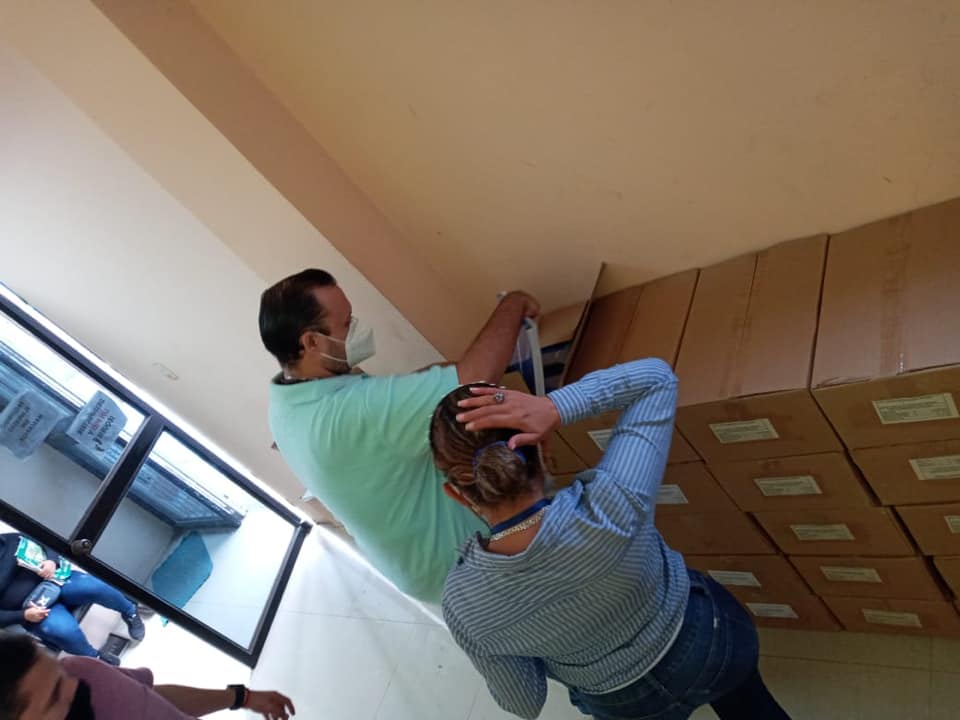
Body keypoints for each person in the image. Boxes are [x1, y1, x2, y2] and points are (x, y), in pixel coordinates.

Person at [429, 359, 790, 720]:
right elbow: (657, 379)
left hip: (623, 702)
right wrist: (554, 407)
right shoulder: (612, 500)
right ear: (543, 448)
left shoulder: (463, 608)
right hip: (706, 637)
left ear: (457, 494)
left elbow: (526, 703)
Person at [259, 269, 538, 603]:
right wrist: (514, 303)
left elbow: (387, 398)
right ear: (311, 342)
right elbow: (475, 379)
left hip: (407, 562)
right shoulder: (355, 412)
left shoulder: (286, 402)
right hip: (457, 564)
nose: (357, 329)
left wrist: (435, 375)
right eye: (347, 324)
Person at [0, 630, 295, 720]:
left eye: (59, 672)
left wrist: (240, 697)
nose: (75, 686)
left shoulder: (82, 670)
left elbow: (151, 700)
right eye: (54, 698)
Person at [0, 533, 144, 666]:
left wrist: (51, 560)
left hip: (56, 579)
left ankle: (130, 611)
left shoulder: (9, 539)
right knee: (64, 632)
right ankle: (95, 657)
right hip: (33, 609)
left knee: (96, 587)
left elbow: (46, 539)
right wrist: (24, 615)